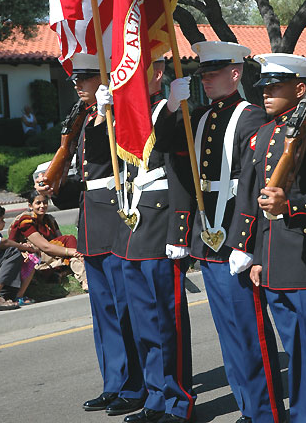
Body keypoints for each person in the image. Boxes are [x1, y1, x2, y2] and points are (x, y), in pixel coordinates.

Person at [228, 53, 306, 423]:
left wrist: (292, 207)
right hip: (276, 264)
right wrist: (256, 255)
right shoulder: (264, 133)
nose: (266, 93)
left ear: (300, 88)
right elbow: (256, 198)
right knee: (297, 354)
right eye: (264, 86)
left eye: (276, 86)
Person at [169, 42, 285, 423]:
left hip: (235, 237)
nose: (205, 79)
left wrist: (244, 241)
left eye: (212, 73)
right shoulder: (200, 116)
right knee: (229, 335)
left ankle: (266, 412)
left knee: (249, 333)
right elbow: (169, 148)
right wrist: (172, 107)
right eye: (202, 74)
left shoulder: (250, 116)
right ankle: (249, 408)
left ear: (235, 73)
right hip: (208, 238)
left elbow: (252, 183)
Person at [35, 53, 144, 417]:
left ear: (107, 77)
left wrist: (113, 113)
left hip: (116, 218)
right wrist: (52, 184)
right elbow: (81, 180)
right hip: (91, 223)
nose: (78, 84)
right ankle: (114, 383)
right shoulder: (82, 120)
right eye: (75, 79)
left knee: (126, 309)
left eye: (86, 77)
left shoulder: (116, 115)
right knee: (104, 312)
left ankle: (137, 385)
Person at [111, 58, 195, 423]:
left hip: (161, 231)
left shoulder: (170, 111)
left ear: (157, 74)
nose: (122, 78)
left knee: (167, 323)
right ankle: (157, 399)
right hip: (133, 231)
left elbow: (180, 171)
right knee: (145, 325)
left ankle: (179, 402)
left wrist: (181, 231)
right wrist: (101, 116)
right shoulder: (127, 116)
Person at [8, 190, 88, 290]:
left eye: (45, 202)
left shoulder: (49, 219)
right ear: (30, 205)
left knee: (69, 249)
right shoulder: (25, 220)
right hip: (35, 255)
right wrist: (72, 251)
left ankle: (60, 273)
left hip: (50, 253)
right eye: (38, 203)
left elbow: (59, 240)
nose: (42, 206)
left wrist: (70, 252)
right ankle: (83, 277)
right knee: (69, 239)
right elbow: (45, 246)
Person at [0, 203, 40, 310]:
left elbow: (5, 246)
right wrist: (12, 250)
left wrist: (21, 250)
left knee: (17, 255)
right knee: (12, 251)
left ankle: (12, 295)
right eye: (2, 220)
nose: (4, 222)